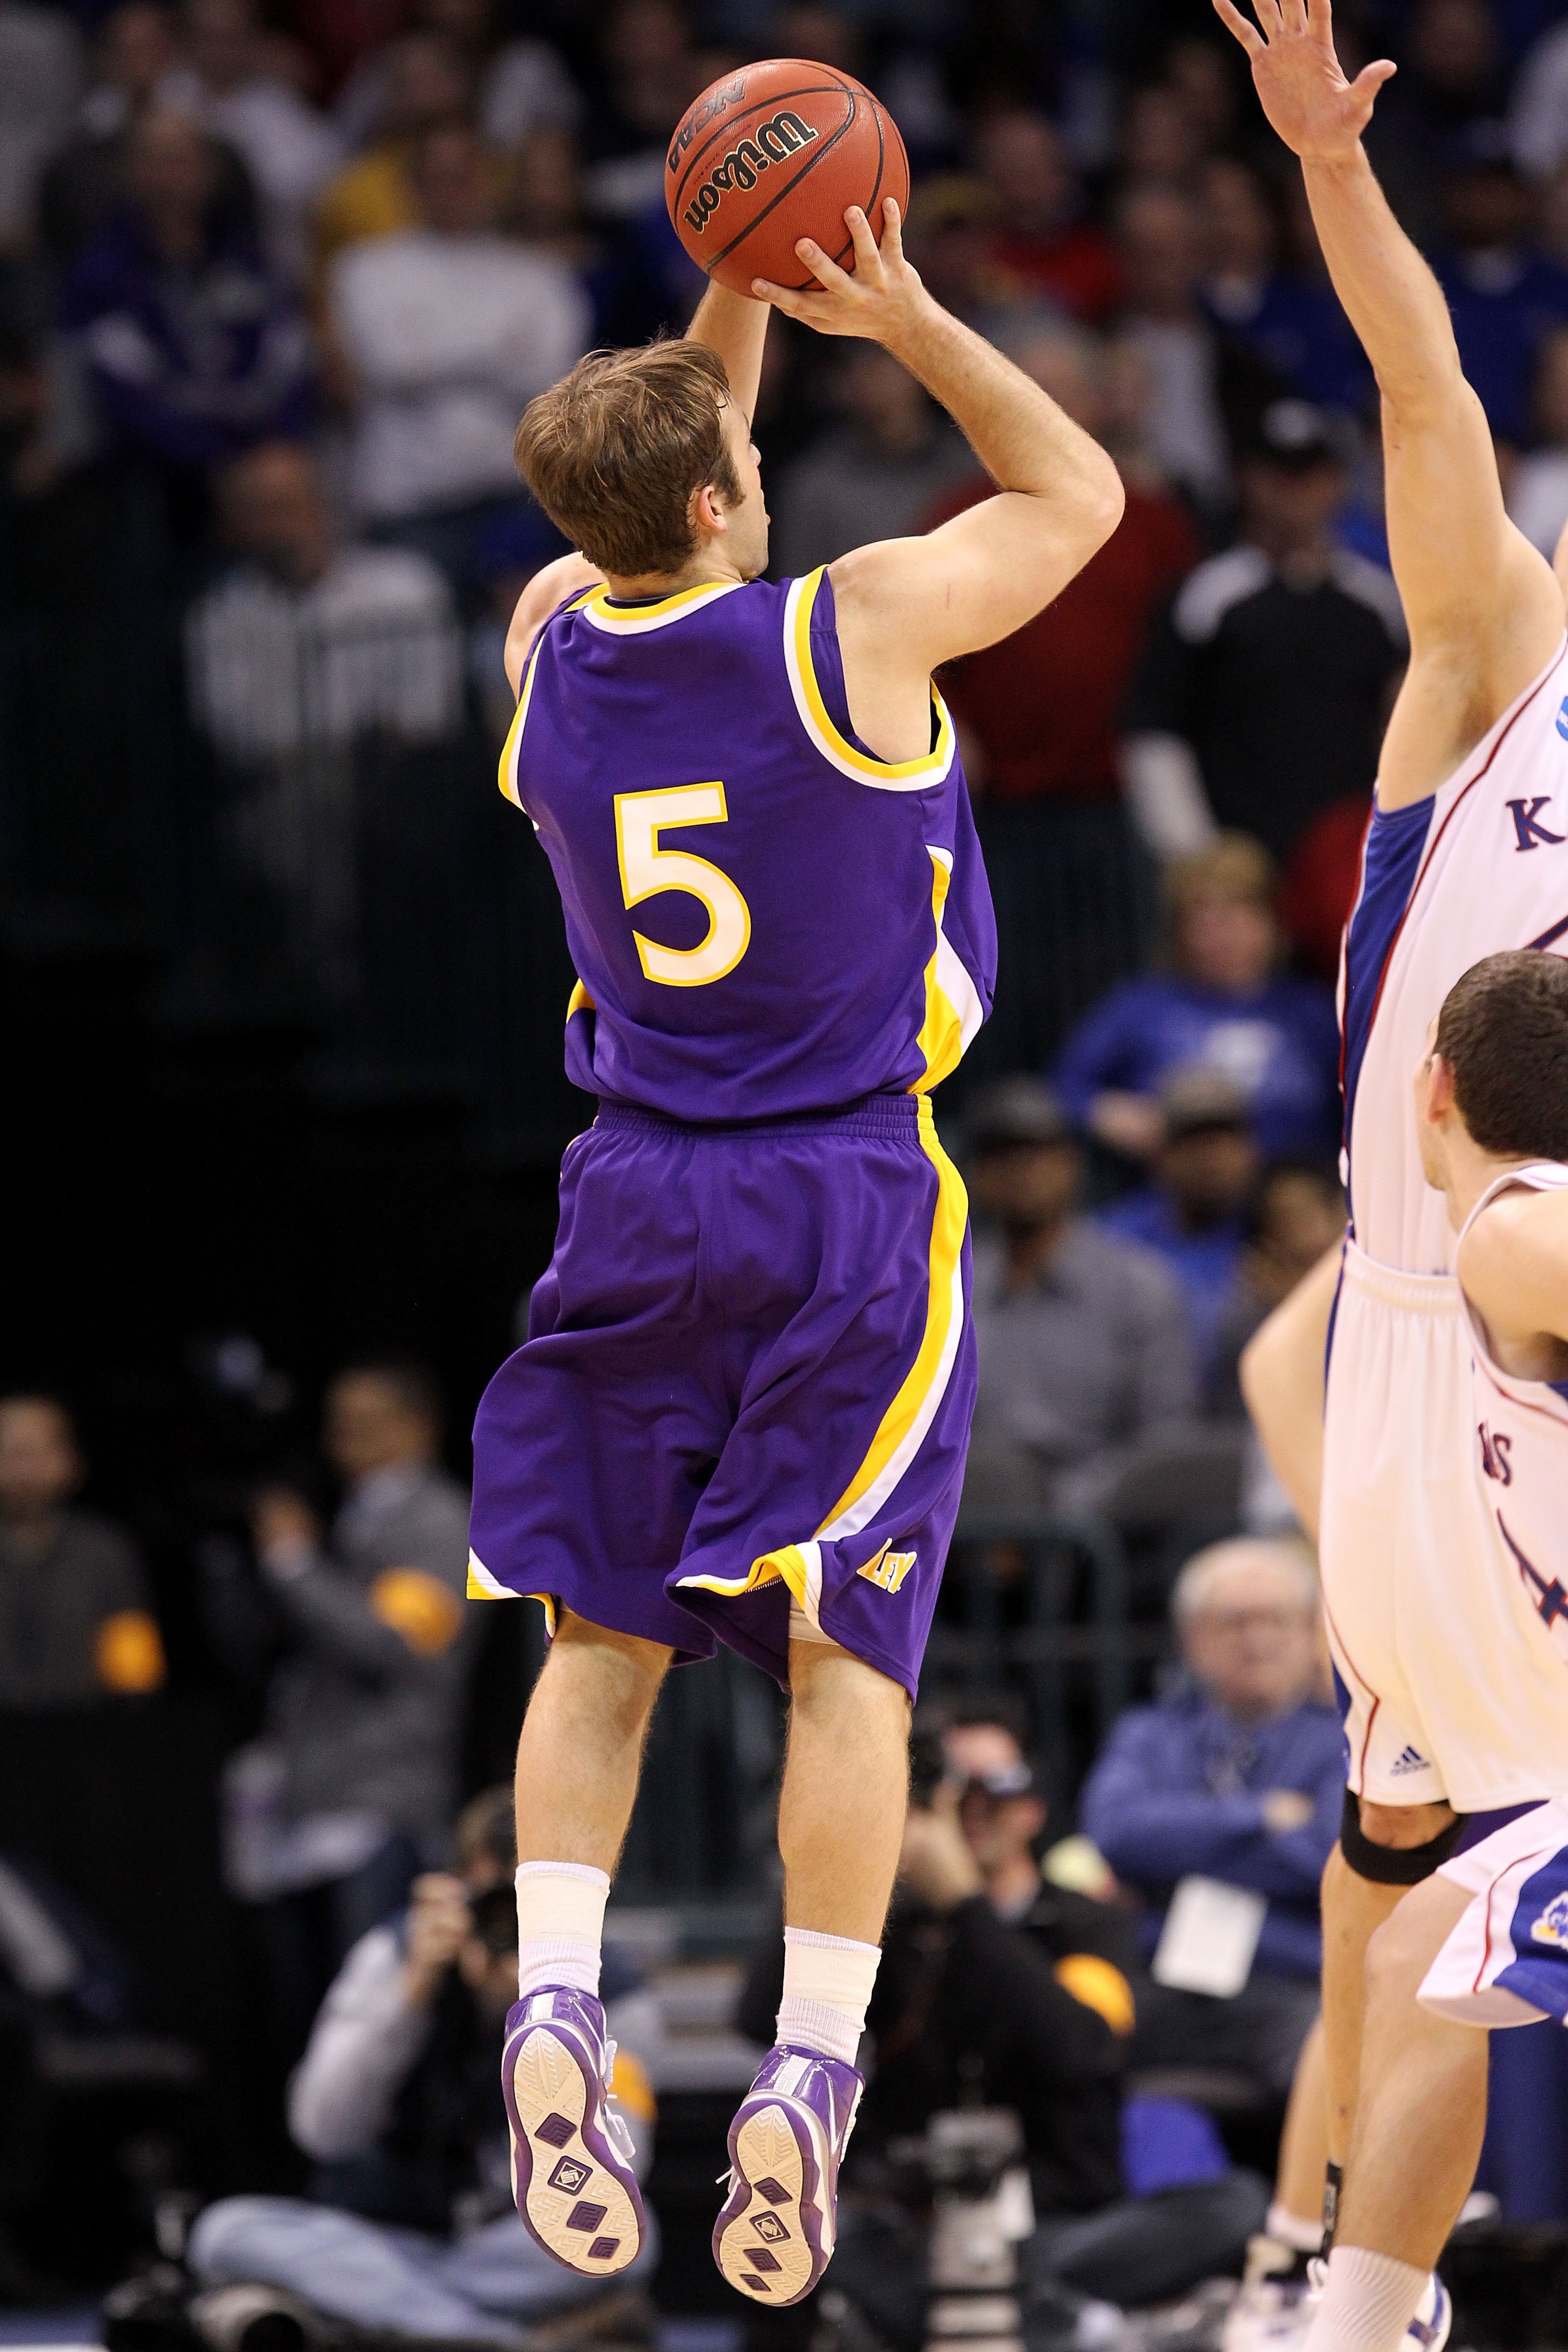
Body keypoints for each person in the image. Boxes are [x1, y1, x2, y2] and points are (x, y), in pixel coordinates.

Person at [463, 196, 1125, 2308]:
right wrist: (904, 307)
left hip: (635, 1179)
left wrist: (728, 293)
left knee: (600, 1630)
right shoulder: (854, 627)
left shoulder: (547, 640)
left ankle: (552, 1998)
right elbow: (1079, 492)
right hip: (842, 1189)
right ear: (735, 498)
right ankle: (812, 2061)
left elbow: (669, 477)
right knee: (849, 1655)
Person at [1213, 5, 1568, 2349]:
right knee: (1430, 1902)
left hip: (1417, 1396)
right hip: (1459, 1324)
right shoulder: (1496, 654)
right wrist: (1334, 179)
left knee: (1417, 1904)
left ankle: (1339, 2298)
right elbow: (1420, 400)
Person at [736, 1703, 1266, 2325]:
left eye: (997, 1788)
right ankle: (1057, 2318)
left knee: (1234, 2207)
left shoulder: (1086, 1922)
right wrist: (834, 1865)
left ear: (1033, 1810)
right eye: (954, 1790)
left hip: (1062, 2226)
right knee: (781, 2239)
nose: (975, 1809)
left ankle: (1023, 2304)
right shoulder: (890, 1924)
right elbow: (756, 2020)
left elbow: (1081, 2047)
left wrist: (967, 1906)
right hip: (917, 2234)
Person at [189, 1787, 657, 2343]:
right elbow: (321, 2130)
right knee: (226, 2232)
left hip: (504, 2246)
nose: (511, 1925)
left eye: (536, 1905)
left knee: (636, 2237)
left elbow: (620, 2171)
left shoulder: (614, 1993)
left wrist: (543, 2024)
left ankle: (395, 2319)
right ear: (458, 1889)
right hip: (378, 2233)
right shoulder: (392, 1957)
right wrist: (408, 1999)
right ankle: (488, 2339)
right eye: (497, 1902)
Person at [226, 1361, 475, 2063]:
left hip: (381, 1804)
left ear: (419, 1425)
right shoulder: (353, 1513)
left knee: (374, 2022)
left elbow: (392, 1648)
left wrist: (295, 1565)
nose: (348, 1437)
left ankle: (377, 2172)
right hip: (310, 1802)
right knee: (315, 2017)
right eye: (341, 1423)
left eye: (370, 1422)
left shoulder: (434, 1518)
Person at [1080, 1539, 1341, 2100]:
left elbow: (1329, 1858)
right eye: (1235, 1622)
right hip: (1163, 1977)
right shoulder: (1151, 1733)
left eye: (1277, 1620)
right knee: (1063, 2038)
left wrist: (1186, 1849)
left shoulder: (1344, 1740)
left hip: (1294, 1981)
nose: (1258, 1640)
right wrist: (1263, 1818)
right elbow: (1118, 1832)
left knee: (1333, 2054)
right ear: (1193, 1639)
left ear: (1311, 1635)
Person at [1121, 397, 1407, 867]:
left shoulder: (1378, 603)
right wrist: (1194, 850)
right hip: (1241, 861)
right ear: (1247, 482)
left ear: (1336, 483)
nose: (1294, 492)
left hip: (1353, 860)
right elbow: (1155, 729)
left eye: (1310, 475)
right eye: (1276, 476)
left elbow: (1404, 728)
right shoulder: (1205, 599)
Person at [328, 119, 588, 594]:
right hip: (407, 505)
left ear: (487, 179)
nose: (453, 189)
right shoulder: (364, 269)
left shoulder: (536, 273)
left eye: (465, 174)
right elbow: (387, 363)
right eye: (437, 176)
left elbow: (554, 380)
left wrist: (431, 348)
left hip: (512, 498)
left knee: (525, 656)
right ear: (411, 186)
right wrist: (502, 347)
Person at [962, 1076, 1198, 1516]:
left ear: (1073, 1164)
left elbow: (1165, 1442)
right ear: (977, 1174)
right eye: (1002, 1157)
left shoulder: (1139, 1285)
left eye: (1039, 1154)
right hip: (969, 1536)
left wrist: (1051, 1519)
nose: (1021, 1171)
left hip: (1113, 1537)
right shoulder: (950, 1290)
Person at [61, 106, 314, 504]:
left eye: (182, 160)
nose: (170, 177)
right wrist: (216, 460)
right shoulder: (102, 274)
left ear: (210, 170)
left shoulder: (251, 261)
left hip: (261, 460)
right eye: (155, 161)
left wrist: (272, 443)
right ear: (128, 173)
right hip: (159, 479)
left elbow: (290, 356)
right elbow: (123, 388)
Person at [1054, 834, 1342, 1166]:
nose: (1221, 936)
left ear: (1272, 924)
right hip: (1176, 1205)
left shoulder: (1313, 1012)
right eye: (1204, 920)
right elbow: (1064, 1088)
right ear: (1177, 932)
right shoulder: (1141, 1009)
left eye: (1236, 915)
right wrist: (1112, 1114)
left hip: (1300, 1199)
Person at [187, 439, 462, 760]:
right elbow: (233, 730)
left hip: (401, 777)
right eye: (261, 511)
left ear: (323, 503)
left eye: (289, 505)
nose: (280, 525)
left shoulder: (406, 587)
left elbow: (429, 712)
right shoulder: (221, 616)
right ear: (234, 526)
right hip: (280, 786)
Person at [1098, 1067, 1263, 1394]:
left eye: (1223, 1141)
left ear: (1251, 1151)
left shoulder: (1281, 1227)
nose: (1209, 1160)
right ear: (1160, 1155)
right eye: (1192, 1144)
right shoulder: (1116, 1239)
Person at [0, 1396, 165, 1709]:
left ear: (73, 1461)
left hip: (89, 1740)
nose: (23, 1465)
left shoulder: (107, 1553)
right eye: (10, 1449)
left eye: (39, 1449)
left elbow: (136, 1678)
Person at [768, 343, 971, 577]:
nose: (878, 378)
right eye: (860, 364)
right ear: (840, 382)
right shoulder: (813, 486)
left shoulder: (972, 470)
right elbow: (798, 594)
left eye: (889, 362)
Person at [1209, 1161, 1347, 1421]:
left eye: (1319, 1209)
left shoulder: (1366, 1286)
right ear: (1266, 1238)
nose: (1315, 1231)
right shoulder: (1244, 1313)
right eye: (1294, 1218)